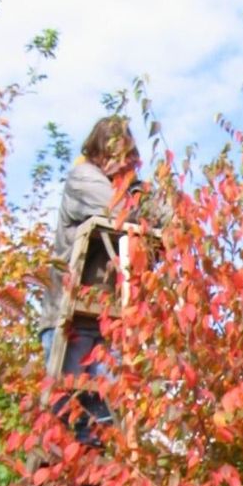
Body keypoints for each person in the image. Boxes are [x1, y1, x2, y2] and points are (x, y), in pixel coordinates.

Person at [39, 115, 141, 446]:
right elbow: (121, 210)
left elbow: (164, 215)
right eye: (116, 155)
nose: (123, 163)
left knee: (105, 424)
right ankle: (56, 475)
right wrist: (141, 197)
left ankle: (94, 473)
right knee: (66, 419)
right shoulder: (83, 178)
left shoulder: (125, 184)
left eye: (127, 156)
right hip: (71, 318)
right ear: (99, 152)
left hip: (106, 319)